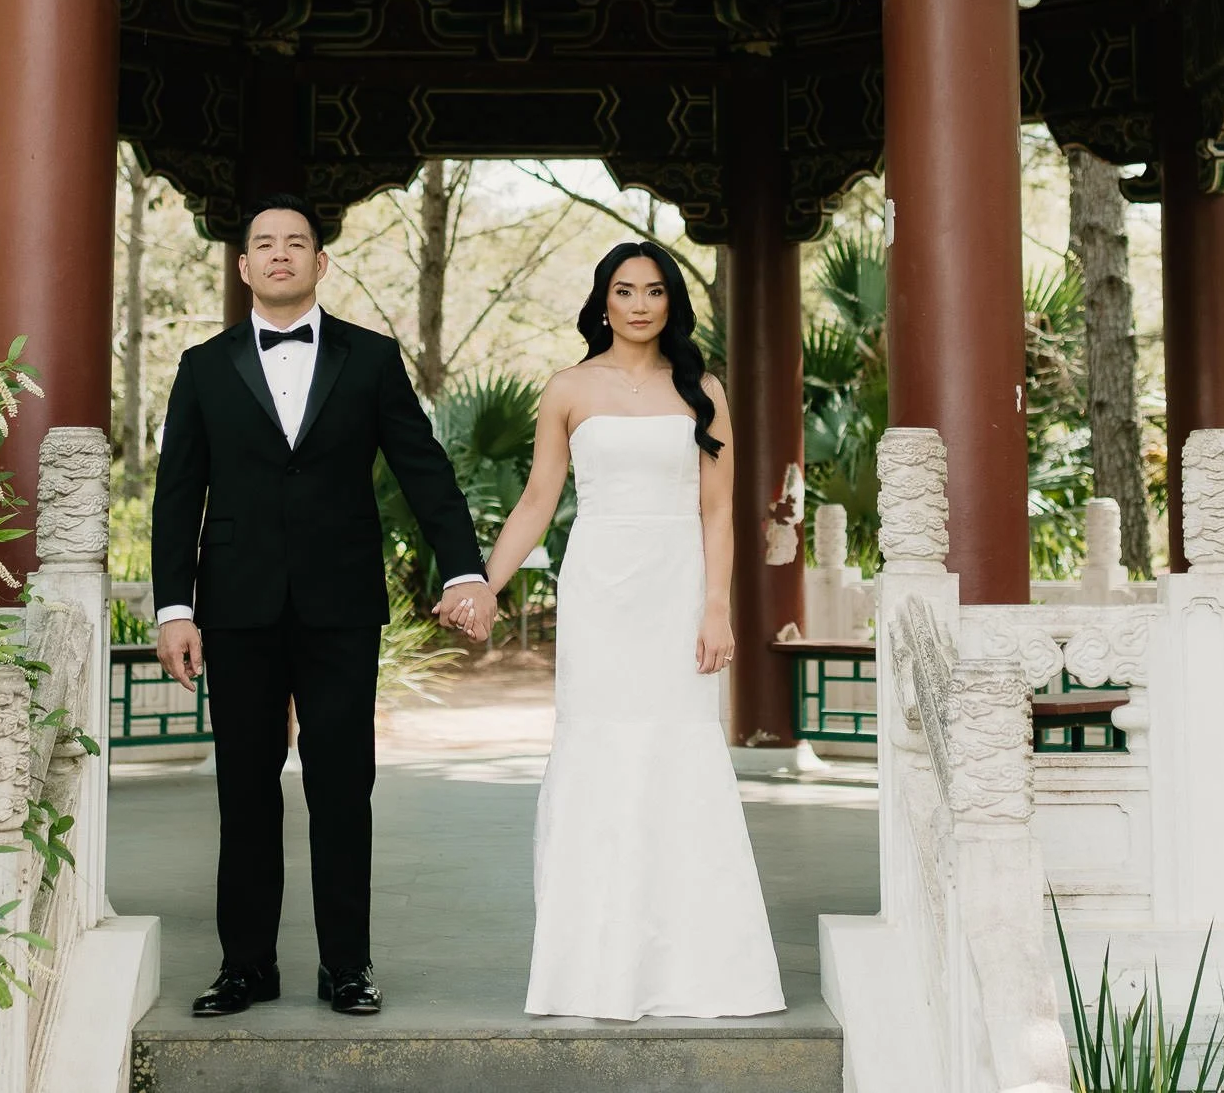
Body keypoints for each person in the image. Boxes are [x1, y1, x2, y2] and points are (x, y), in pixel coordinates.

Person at [150, 197, 497, 1020]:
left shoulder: (370, 358)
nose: (279, 255)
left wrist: (464, 569)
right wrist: (173, 606)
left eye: (295, 243)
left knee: (344, 786)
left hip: (341, 603)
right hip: (235, 606)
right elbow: (177, 494)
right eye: (263, 243)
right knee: (245, 787)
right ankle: (246, 965)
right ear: (243, 266)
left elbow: (424, 468)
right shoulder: (202, 365)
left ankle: (347, 965)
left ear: (320, 262)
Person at [458, 240, 785, 1020]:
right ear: (602, 300)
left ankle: (696, 965)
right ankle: (593, 966)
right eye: (624, 289)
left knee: (678, 751)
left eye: (654, 290)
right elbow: (539, 497)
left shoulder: (701, 389)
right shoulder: (568, 387)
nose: (639, 304)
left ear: (672, 302)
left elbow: (717, 510)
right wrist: (483, 582)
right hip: (601, 586)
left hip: (676, 588)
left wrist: (716, 606)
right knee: (599, 750)